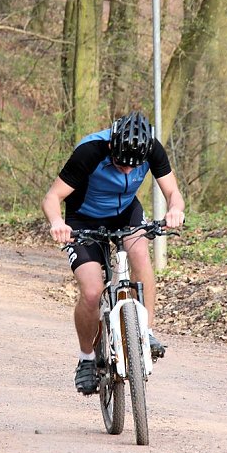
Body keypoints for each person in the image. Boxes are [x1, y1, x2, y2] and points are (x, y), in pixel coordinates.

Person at [42, 112, 186, 395]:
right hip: (84, 220)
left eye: (133, 167)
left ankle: (145, 332)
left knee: (141, 255)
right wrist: (57, 223)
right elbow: (52, 197)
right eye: (121, 165)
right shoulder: (89, 151)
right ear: (112, 147)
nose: (126, 172)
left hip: (125, 214)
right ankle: (86, 359)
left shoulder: (151, 147)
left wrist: (175, 209)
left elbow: (173, 192)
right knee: (93, 292)